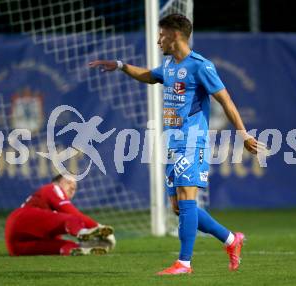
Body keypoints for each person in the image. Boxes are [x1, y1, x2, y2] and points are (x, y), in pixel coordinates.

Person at [89, 14, 266, 275]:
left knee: (186, 201)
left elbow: (226, 101)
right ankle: (231, 239)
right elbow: (150, 76)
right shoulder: (170, 64)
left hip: (193, 141)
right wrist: (121, 65)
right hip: (172, 142)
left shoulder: (201, 66)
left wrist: (243, 134)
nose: (158, 40)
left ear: (174, 35)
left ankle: (184, 263)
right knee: (180, 208)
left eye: (161, 35)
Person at [5, 174, 115, 256]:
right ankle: (83, 233)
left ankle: (83, 247)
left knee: (64, 246)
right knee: (72, 218)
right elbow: (71, 213)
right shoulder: (52, 188)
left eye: (75, 187)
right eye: (68, 182)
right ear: (56, 183)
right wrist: (98, 227)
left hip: (15, 245)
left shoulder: (50, 216)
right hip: (21, 218)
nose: (72, 188)